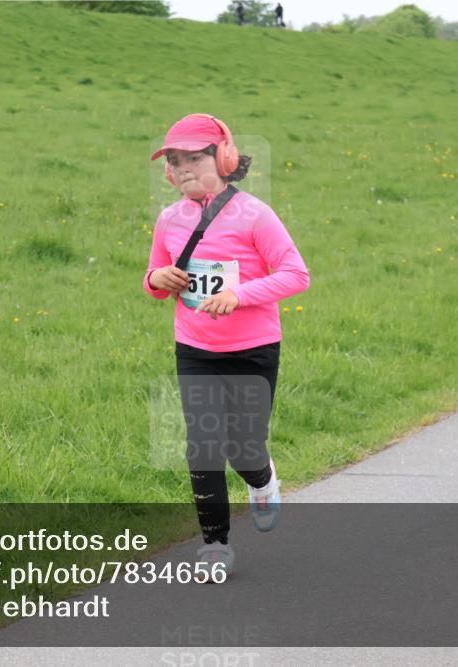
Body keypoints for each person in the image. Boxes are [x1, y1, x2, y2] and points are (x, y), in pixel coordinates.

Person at [144, 113, 310, 582]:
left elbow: (296, 274)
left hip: (253, 348)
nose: (183, 169)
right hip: (194, 348)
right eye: (175, 161)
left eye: (194, 157)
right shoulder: (168, 219)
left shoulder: (256, 214)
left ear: (224, 157)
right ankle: (215, 546)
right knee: (202, 446)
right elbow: (156, 280)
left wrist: (240, 295)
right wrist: (156, 279)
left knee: (244, 447)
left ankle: (262, 480)